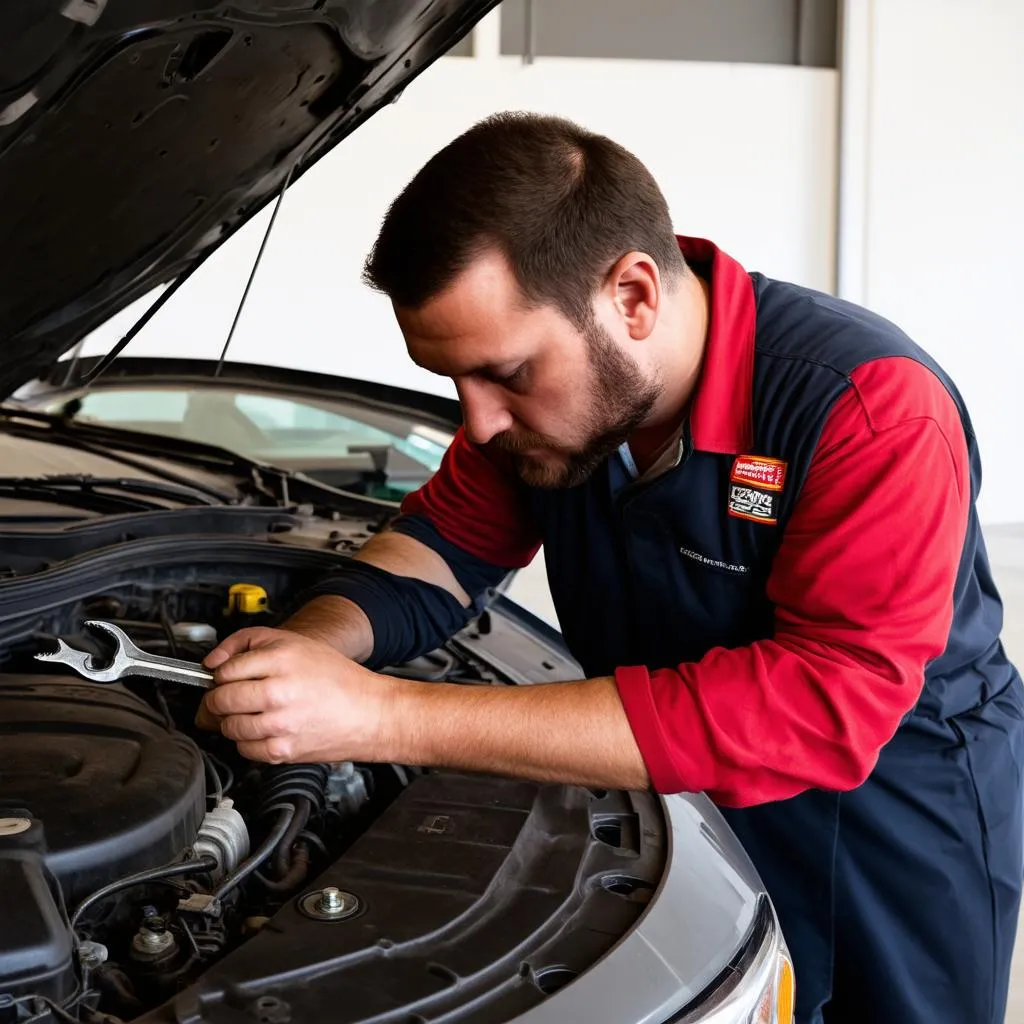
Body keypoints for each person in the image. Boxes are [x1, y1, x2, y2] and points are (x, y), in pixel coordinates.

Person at [198, 113, 1024, 1024]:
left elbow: (822, 706)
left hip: (889, 825)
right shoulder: (544, 421)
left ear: (632, 296)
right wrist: (309, 653)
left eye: (505, 372)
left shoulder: (865, 406)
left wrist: (385, 715)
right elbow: (442, 541)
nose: (477, 423)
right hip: (677, 790)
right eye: (455, 382)